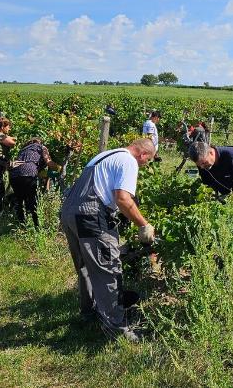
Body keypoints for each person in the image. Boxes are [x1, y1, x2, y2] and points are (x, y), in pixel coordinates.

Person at [59, 139, 156, 341]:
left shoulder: (105, 156)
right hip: (91, 217)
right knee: (108, 268)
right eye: (146, 162)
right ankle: (116, 326)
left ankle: (89, 313)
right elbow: (122, 198)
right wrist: (143, 225)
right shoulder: (128, 161)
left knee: (85, 267)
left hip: (69, 212)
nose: (143, 165)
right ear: (143, 155)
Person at [8, 137, 60, 227]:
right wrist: (59, 168)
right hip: (28, 173)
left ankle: (22, 225)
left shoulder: (23, 150)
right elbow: (48, 162)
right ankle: (37, 226)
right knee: (33, 201)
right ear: (39, 142)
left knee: (20, 200)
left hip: (14, 174)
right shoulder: (41, 147)